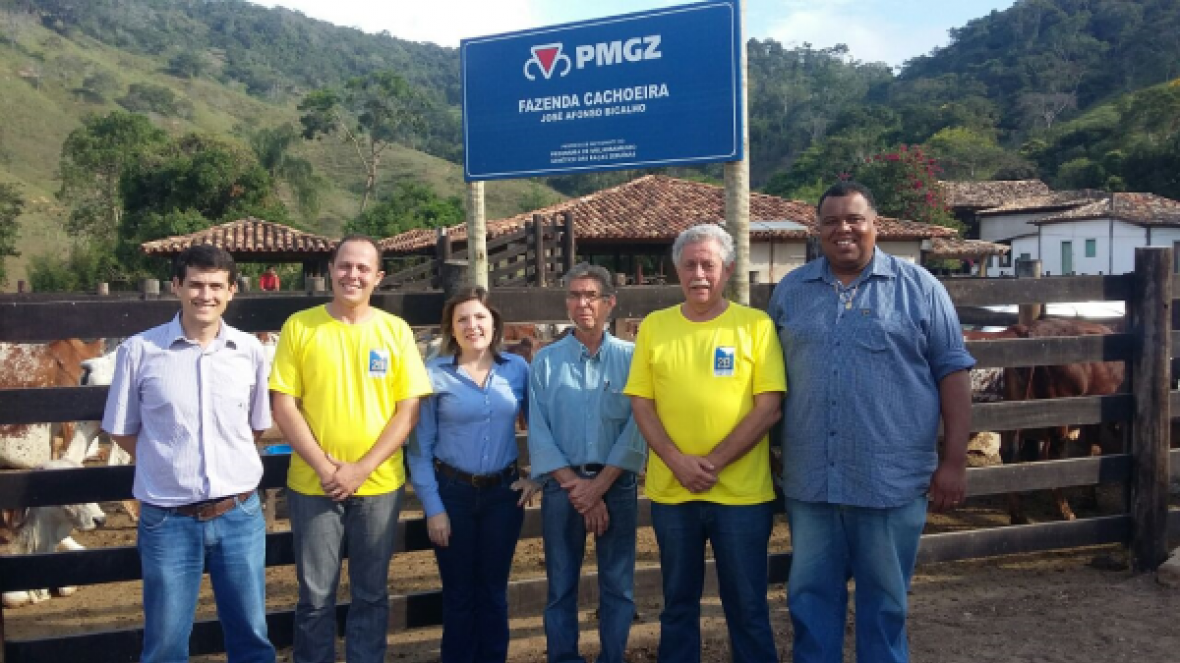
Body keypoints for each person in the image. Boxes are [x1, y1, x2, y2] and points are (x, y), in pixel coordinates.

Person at [768, 181, 974, 663]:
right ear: (817, 231)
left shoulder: (921, 289)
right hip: (812, 482)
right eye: (831, 221)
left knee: (884, 607)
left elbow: (954, 372)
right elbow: (766, 383)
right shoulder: (791, 292)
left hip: (889, 481)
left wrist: (955, 461)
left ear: (875, 225)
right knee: (810, 602)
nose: (843, 229)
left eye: (854, 219)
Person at [101, 244, 276, 663]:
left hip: (238, 514)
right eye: (195, 284)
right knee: (164, 644)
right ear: (176, 286)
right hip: (168, 519)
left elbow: (255, 426)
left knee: (252, 637)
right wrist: (170, 464)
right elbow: (123, 431)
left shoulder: (250, 351)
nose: (205, 295)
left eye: (216, 285)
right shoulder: (139, 351)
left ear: (232, 290)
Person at [624, 224, 786, 663]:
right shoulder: (655, 328)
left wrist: (709, 463)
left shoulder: (755, 325)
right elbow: (642, 405)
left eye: (708, 265)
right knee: (678, 604)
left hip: (742, 497)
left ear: (728, 270)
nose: (699, 273)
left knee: (748, 606)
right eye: (690, 264)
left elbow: (768, 407)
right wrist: (677, 462)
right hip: (673, 494)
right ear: (677, 270)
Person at [269, 235, 432, 663]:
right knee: (315, 595)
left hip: (379, 485)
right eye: (345, 266)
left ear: (377, 277)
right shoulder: (299, 327)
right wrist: (326, 467)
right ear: (330, 270)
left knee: (372, 593)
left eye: (362, 268)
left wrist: (361, 468)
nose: (352, 275)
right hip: (312, 484)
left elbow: (408, 410)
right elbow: (283, 404)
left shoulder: (394, 331)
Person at [407, 286, 537, 663]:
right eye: (462, 318)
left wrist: (537, 476)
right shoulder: (433, 375)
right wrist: (433, 507)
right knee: (459, 594)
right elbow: (420, 447)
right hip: (453, 494)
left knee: (494, 592)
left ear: (493, 323)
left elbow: (542, 426)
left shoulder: (517, 369)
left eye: (479, 317)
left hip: (503, 494)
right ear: (451, 327)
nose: (472, 325)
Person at [528, 263, 647, 663]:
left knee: (618, 584)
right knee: (561, 584)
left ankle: (612, 657)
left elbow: (638, 426)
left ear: (609, 303)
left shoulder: (633, 360)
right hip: (564, 490)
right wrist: (577, 487)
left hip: (617, 486)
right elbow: (539, 430)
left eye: (591, 296)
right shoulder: (545, 361)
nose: (582, 303)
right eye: (575, 295)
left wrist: (599, 487)